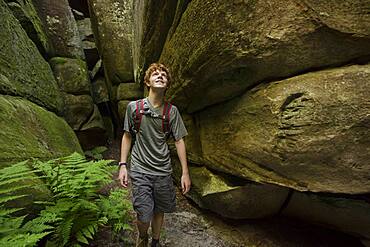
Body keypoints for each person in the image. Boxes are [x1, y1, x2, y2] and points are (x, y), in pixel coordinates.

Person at [118, 63, 191, 247]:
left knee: (159, 210)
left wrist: (185, 173)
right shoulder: (134, 108)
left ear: (167, 85)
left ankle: (155, 242)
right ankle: (143, 236)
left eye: (164, 75)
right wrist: (122, 165)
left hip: (163, 171)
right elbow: (127, 136)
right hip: (140, 169)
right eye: (155, 74)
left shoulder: (171, 112)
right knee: (144, 214)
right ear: (147, 82)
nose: (160, 76)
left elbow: (179, 141)